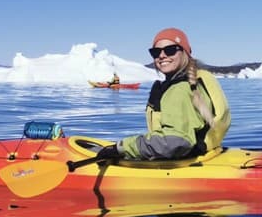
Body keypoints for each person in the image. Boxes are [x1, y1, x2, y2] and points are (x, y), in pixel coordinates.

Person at [97, 28, 230, 161]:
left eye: (170, 50)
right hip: (207, 153)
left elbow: (174, 142)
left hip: (182, 162)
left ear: (185, 52)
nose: (161, 55)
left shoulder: (179, 89)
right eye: (155, 52)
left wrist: (122, 147)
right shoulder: (197, 79)